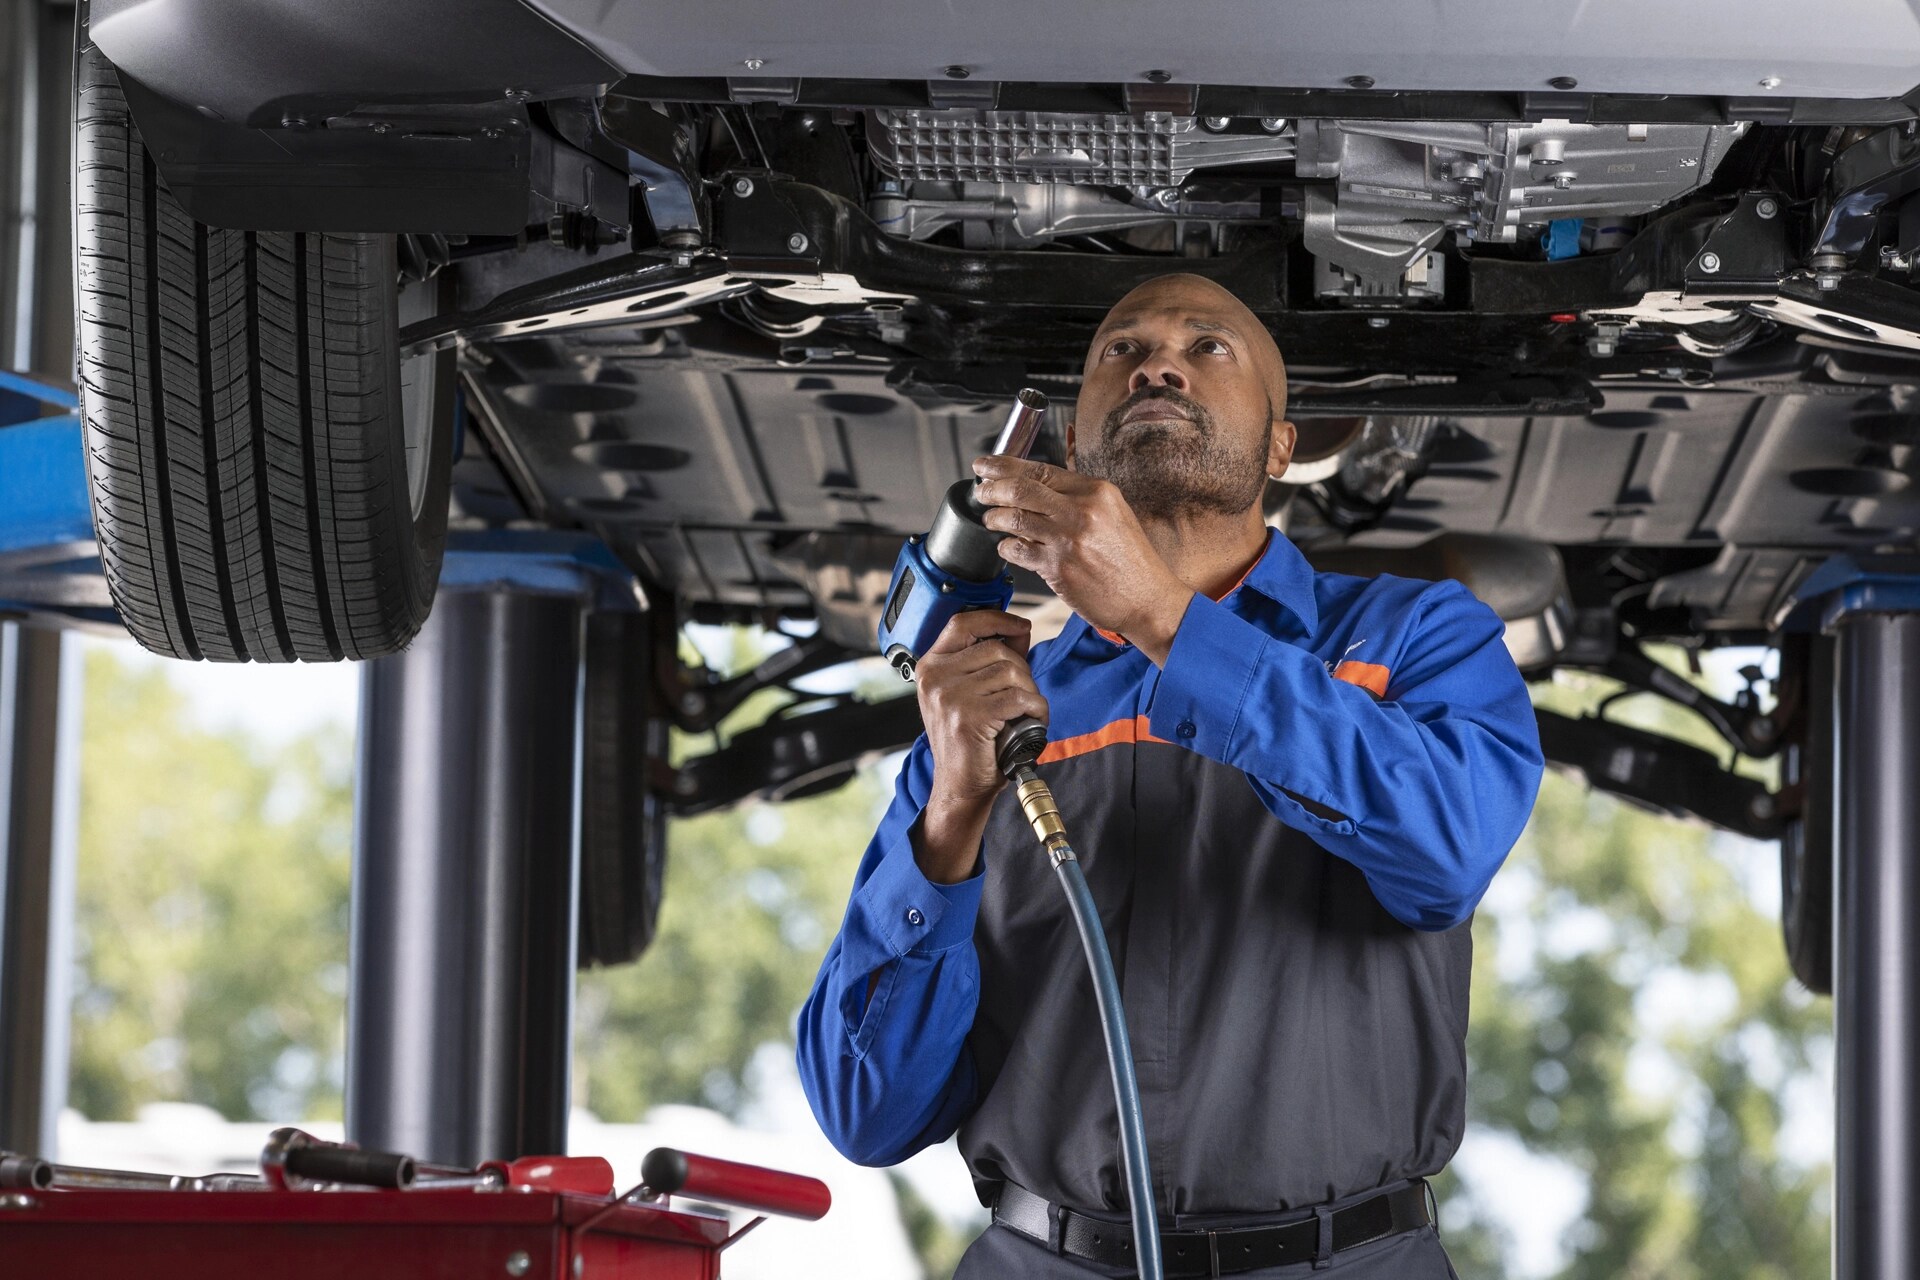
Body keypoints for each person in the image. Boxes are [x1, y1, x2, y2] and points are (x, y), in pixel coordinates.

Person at [796, 272, 1544, 1278]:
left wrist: (1165, 619)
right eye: (1122, 350)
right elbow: (864, 1110)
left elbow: (1446, 847)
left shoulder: (1413, 635)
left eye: (1209, 348)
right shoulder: (992, 711)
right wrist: (949, 820)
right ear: (1072, 442)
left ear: (1282, 445)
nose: (1158, 363)